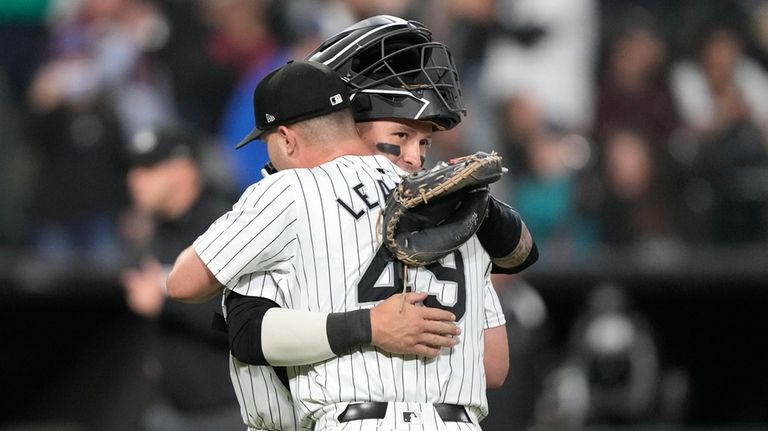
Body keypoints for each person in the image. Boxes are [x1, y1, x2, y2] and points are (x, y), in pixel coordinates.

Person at [169, 16, 537, 431]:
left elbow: (230, 318)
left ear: (289, 136)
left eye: (423, 142)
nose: (415, 157)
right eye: (401, 136)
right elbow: (492, 365)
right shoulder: (457, 202)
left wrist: (365, 328)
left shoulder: (290, 192)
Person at [120, 125, 242, 431]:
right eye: (133, 169)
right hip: (172, 410)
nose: (134, 179)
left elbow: (241, 321)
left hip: (229, 411)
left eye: (148, 167)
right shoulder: (157, 232)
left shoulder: (223, 226)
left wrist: (166, 302)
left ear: (184, 168)